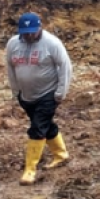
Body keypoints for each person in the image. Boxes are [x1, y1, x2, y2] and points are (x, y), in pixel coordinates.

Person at [6, 13, 73, 185]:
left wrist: (60, 93)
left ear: (39, 28)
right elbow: (10, 68)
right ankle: (61, 155)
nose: (28, 35)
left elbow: (65, 67)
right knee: (45, 125)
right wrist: (16, 92)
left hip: (48, 93)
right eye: (25, 33)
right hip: (26, 95)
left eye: (32, 32)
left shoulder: (52, 43)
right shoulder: (13, 44)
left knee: (37, 127)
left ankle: (30, 170)